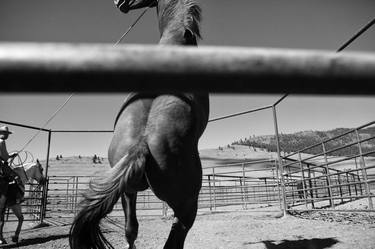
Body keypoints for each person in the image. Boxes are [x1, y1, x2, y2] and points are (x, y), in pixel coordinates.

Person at [0, 126, 23, 205]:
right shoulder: (2, 141)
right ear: (1, 133)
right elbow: (5, 157)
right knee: (16, 177)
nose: (7, 135)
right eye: (5, 133)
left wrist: (10, 155)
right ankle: (15, 199)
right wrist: (10, 156)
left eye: (8, 134)